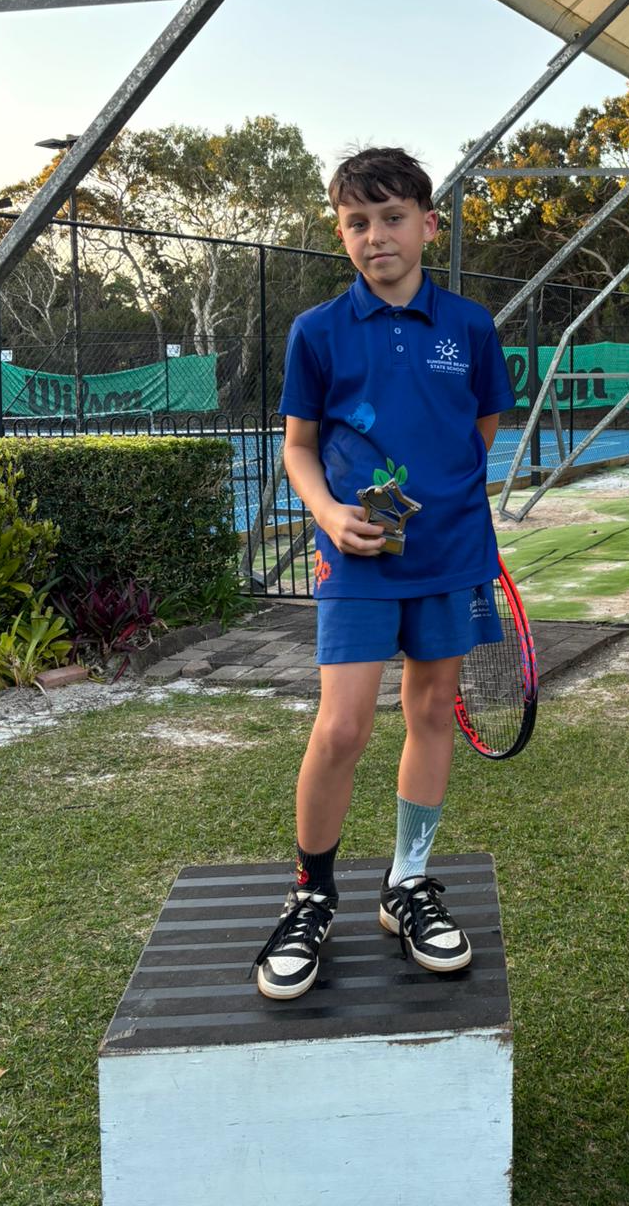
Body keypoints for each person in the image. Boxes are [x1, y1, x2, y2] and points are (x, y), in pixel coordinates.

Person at [253, 147, 514, 1000]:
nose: (377, 237)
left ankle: (407, 885)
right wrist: (330, 515)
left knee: (432, 710)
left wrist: (437, 505)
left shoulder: (470, 327)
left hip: (450, 560)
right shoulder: (317, 332)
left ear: (429, 224)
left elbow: (480, 428)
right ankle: (310, 894)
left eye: (393, 217)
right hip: (356, 563)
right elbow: (297, 446)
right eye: (358, 223)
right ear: (341, 231)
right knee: (344, 726)